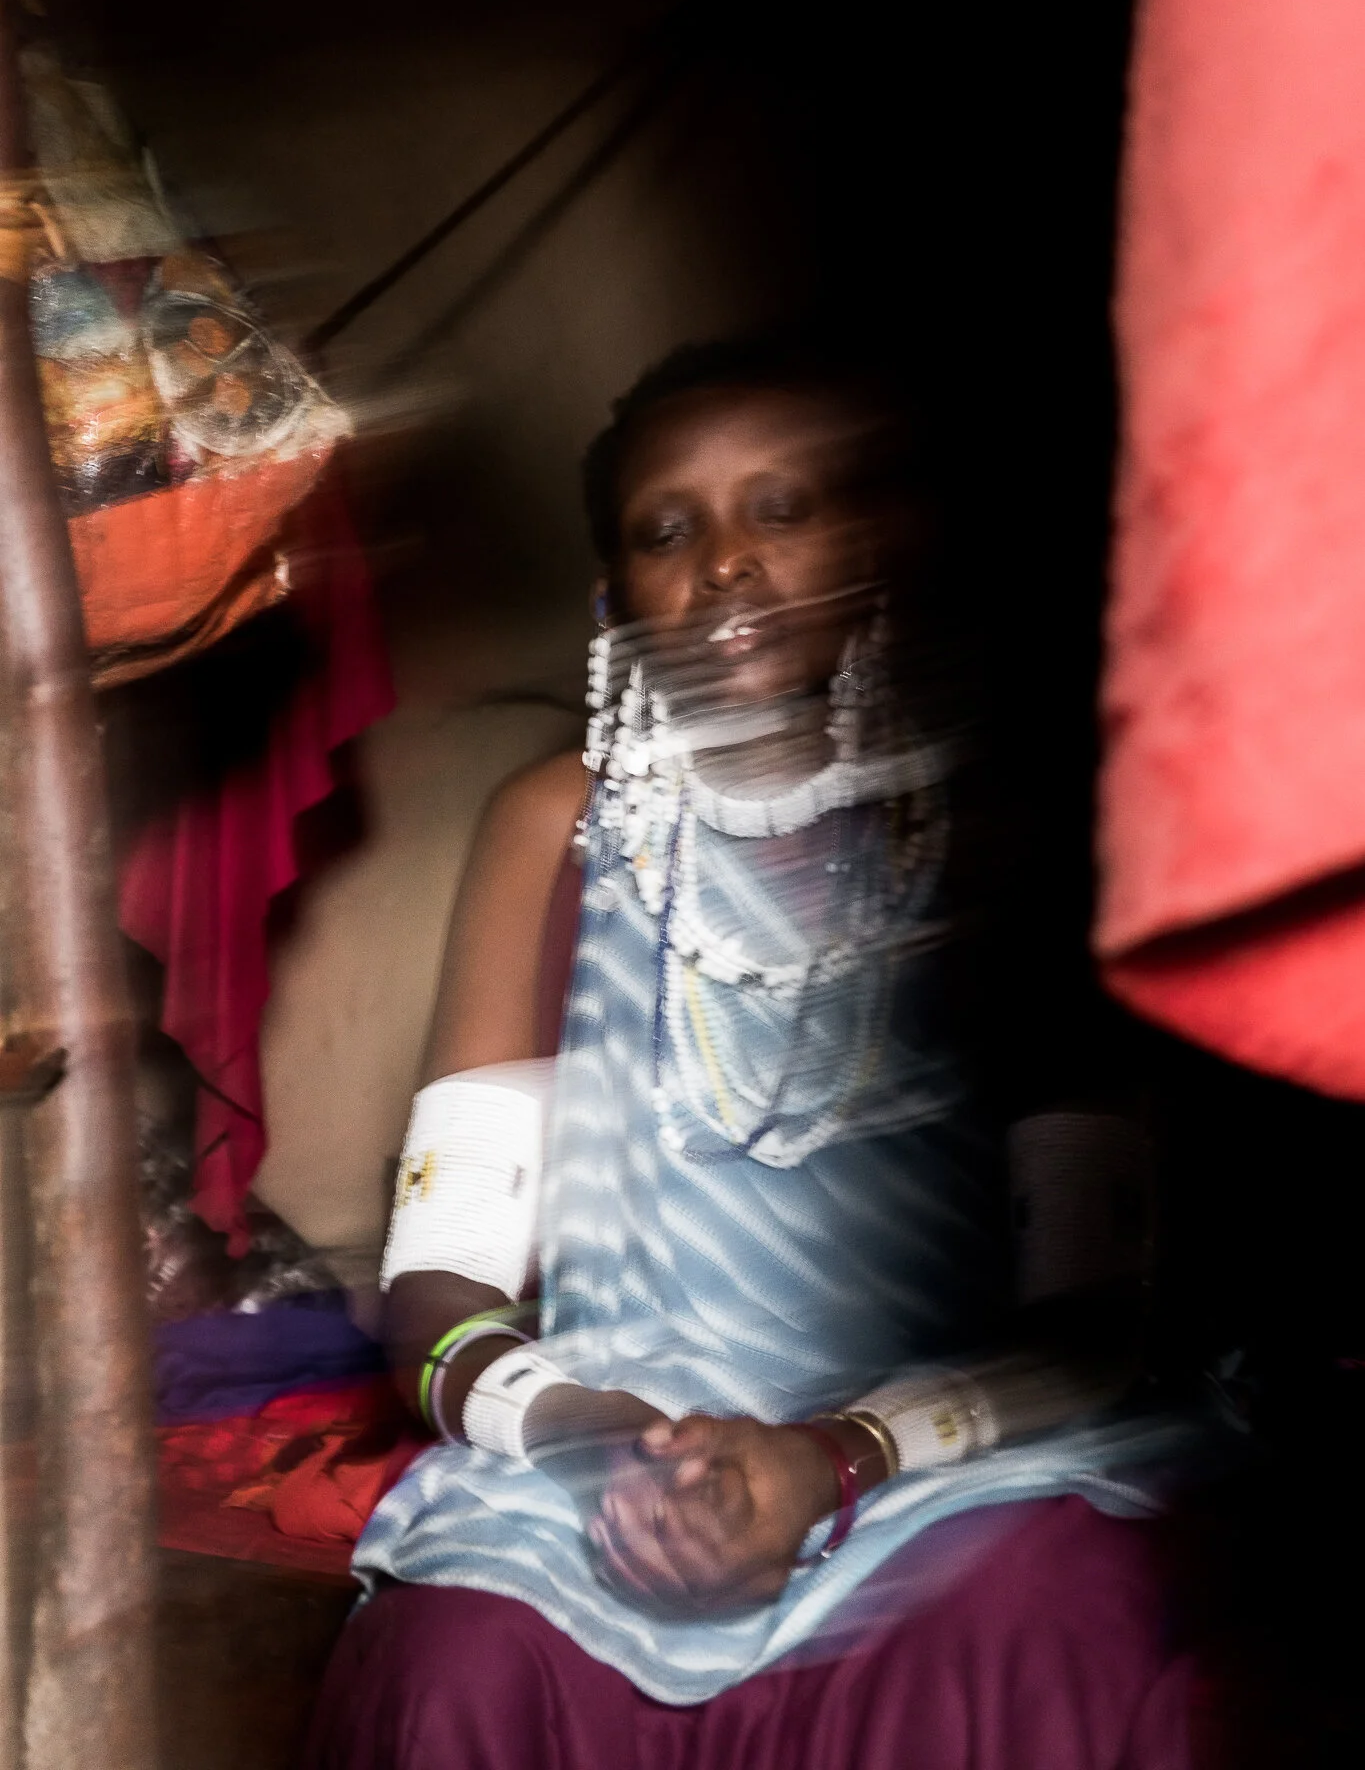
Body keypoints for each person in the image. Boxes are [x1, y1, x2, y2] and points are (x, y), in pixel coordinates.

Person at [306, 338, 1195, 1769]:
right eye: (670, 530)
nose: (723, 566)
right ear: (615, 596)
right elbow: (436, 1293)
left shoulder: (1017, 833)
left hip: (940, 1454)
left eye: (784, 511)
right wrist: (604, 1438)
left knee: (1058, 1604)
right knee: (455, 1656)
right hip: (619, 1441)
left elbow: (1098, 1326)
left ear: (892, 543)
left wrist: (829, 1459)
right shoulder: (554, 828)